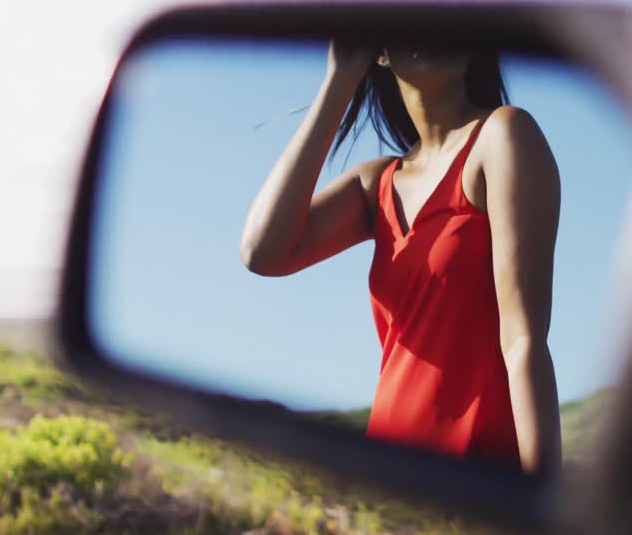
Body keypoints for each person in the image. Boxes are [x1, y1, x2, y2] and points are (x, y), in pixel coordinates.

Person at [238, 40, 562, 475]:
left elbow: (523, 340)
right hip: (387, 474)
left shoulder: (502, 136)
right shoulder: (378, 185)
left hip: (479, 470)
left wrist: (543, 505)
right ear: (380, 50)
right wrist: (339, 82)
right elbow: (262, 252)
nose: (435, 30)